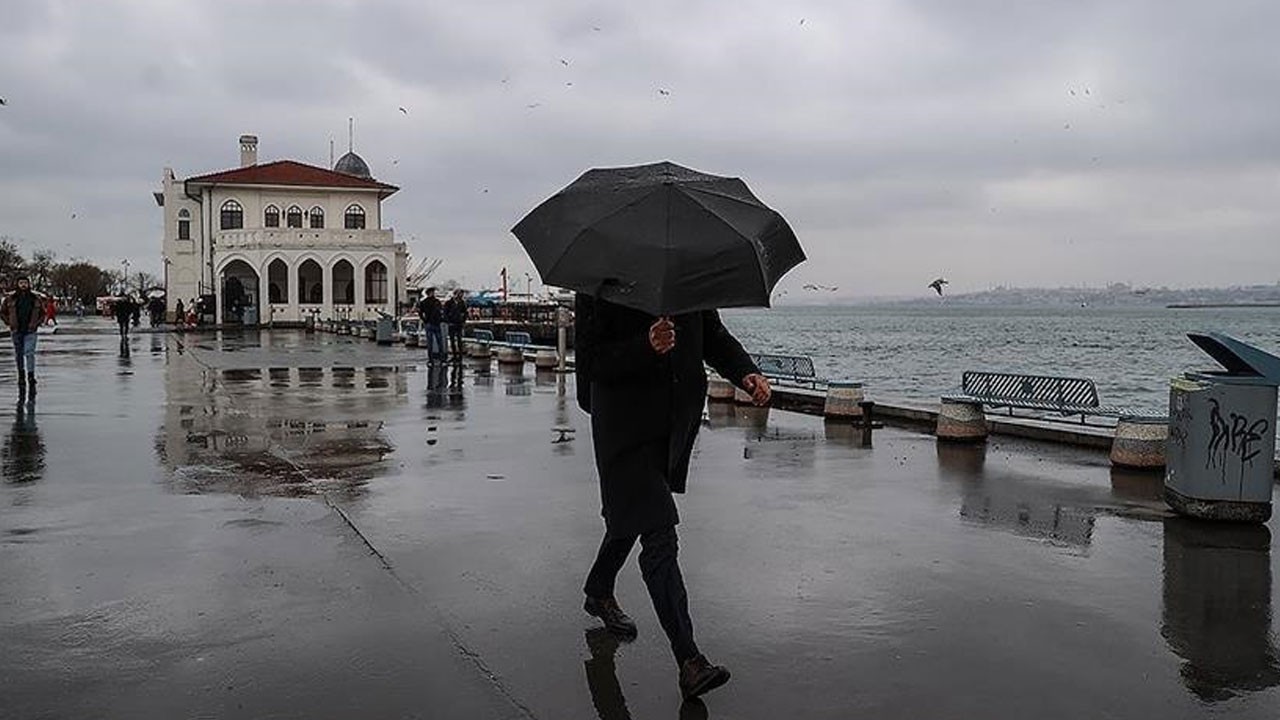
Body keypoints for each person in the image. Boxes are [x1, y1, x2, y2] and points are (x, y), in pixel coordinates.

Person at [575, 293, 772, 701]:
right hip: (623, 430)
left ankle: (598, 589)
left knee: (634, 515)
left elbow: (712, 334)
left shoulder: (687, 274)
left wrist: (745, 373)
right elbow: (591, 363)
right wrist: (644, 346)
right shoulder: (600, 280)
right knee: (659, 533)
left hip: (669, 431)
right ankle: (689, 660)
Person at [1, 276, 48, 399]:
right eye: (21, 283)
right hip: (16, 330)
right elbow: (3, 312)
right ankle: (21, 375)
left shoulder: (35, 299)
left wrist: (37, 323)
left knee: (29, 352)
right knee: (19, 354)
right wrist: (9, 323)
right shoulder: (10, 299)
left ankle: (31, 376)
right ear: (17, 284)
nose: (23, 285)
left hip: (30, 330)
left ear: (28, 284)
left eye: (25, 283)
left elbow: (43, 313)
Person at [417, 287, 446, 363]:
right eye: (432, 292)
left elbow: (420, 312)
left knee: (431, 342)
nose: (433, 293)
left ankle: (431, 359)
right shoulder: (436, 302)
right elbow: (440, 311)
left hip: (430, 323)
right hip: (434, 323)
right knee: (439, 341)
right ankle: (441, 358)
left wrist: (424, 319)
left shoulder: (424, 302)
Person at [443, 288, 467, 362]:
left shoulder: (462, 303)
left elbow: (465, 312)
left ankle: (460, 355)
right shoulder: (449, 303)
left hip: (459, 323)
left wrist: (463, 320)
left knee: (459, 340)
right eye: (460, 294)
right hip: (452, 323)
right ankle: (454, 355)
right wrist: (448, 321)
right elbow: (445, 313)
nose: (461, 296)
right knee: (452, 340)